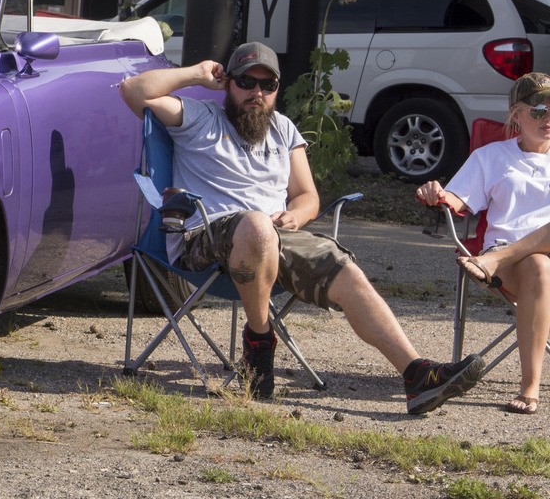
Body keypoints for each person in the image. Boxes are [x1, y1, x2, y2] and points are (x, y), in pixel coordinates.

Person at [119, 41, 484, 413]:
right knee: (258, 225)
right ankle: (259, 342)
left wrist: (297, 215)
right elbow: (131, 90)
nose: (256, 92)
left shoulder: (284, 129)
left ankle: (416, 374)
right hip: (206, 238)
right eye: (246, 81)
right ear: (228, 84)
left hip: (276, 237)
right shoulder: (198, 117)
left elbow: (307, 195)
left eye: (267, 85)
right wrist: (196, 74)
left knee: (343, 267)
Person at [415, 71, 550, 415]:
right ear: (516, 115)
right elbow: (455, 201)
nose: (547, 117)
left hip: (495, 263)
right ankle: (530, 386)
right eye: (538, 110)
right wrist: (435, 192)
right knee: (539, 265)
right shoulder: (492, 157)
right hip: (519, 271)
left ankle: (496, 259)